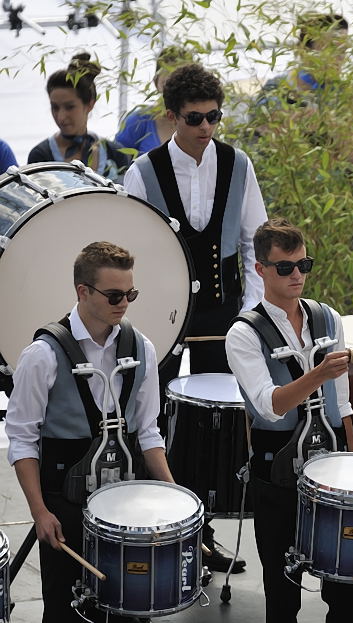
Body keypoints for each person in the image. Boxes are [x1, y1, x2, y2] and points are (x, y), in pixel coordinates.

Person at [122, 62, 267, 572]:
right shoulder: (141, 173)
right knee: (153, 415)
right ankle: (158, 526)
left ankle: (202, 533)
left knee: (213, 422)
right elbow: (130, 251)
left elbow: (255, 242)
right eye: (195, 118)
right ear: (172, 117)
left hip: (224, 311)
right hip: (161, 315)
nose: (206, 128)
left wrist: (250, 310)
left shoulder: (239, 164)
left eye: (214, 117)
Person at [5, 241, 174, 623]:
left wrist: (175, 497)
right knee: (66, 613)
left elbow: (148, 432)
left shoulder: (142, 348)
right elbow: (22, 440)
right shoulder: (43, 355)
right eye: (114, 294)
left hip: (127, 512)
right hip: (64, 509)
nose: (124, 303)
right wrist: (39, 512)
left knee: (133, 608)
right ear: (83, 291)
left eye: (130, 293)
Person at [224, 218, 353, 623]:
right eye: (285, 268)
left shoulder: (328, 318)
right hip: (275, 470)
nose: (297, 276)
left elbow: (342, 405)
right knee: (283, 590)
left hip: (333, 464)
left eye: (303, 266)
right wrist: (317, 375)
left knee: (350, 582)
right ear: (260, 270)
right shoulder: (243, 333)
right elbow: (269, 406)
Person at [27, 52, 132, 180]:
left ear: (90, 104)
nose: (61, 116)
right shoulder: (41, 156)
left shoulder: (115, 153)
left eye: (69, 107)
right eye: (55, 107)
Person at [115, 46, 194, 155]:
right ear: (156, 82)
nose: (175, 90)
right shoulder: (139, 120)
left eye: (183, 84)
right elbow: (115, 162)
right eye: (167, 83)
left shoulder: (200, 121)